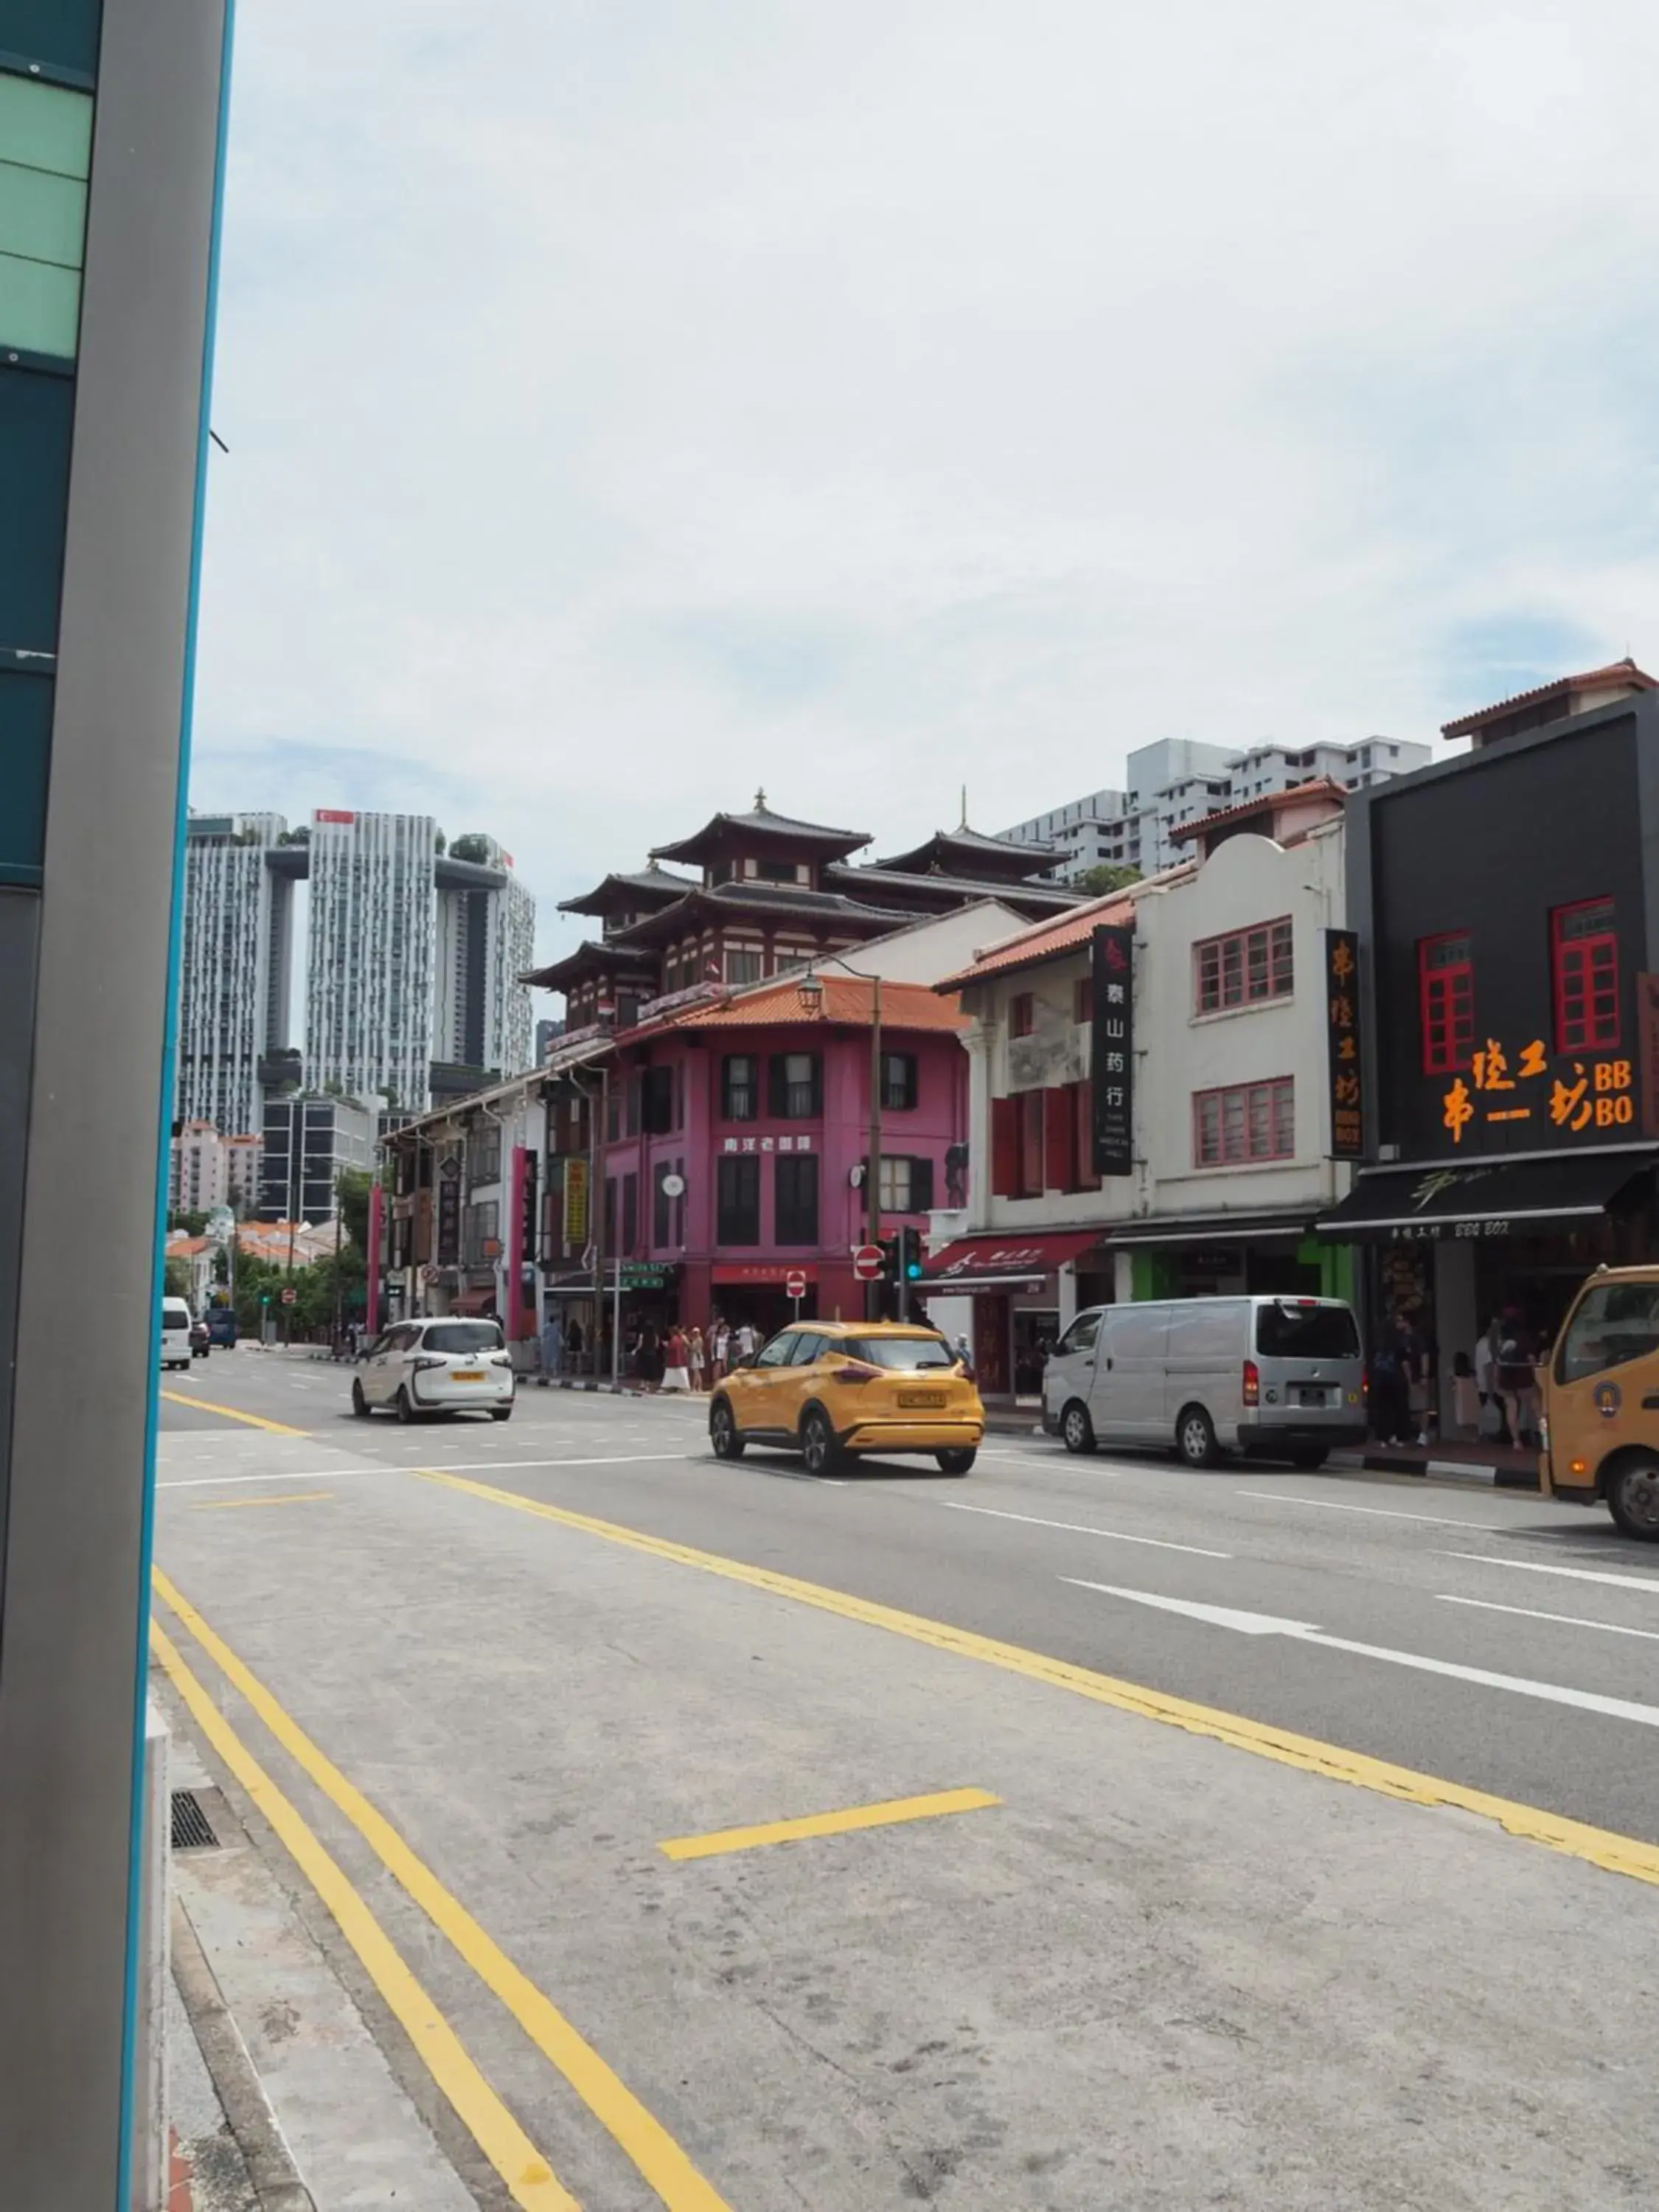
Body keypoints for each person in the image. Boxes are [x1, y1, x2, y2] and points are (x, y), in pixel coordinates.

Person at [1495, 1307, 1540, 1450]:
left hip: (1506, 1376)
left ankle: (1516, 1441)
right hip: (1523, 1374)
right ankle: (1545, 1436)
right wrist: (1537, 1376)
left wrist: (1496, 1379)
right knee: (1535, 1405)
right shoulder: (1524, 1336)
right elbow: (1531, 1358)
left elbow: (1496, 1360)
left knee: (1511, 1407)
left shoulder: (1499, 1339)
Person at [539, 1307, 563, 1388]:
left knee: (546, 1359)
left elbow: (543, 1337)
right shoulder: (556, 1328)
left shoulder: (546, 1327)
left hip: (547, 1346)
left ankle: (545, 1373)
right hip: (554, 1345)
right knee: (554, 1359)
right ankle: (554, 1372)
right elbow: (558, 1336)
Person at [662, 1324, 691, 1393]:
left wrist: (666, 1346)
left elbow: (670, 1349)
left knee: (670, 1375)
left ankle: (667, 1387)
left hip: (674, 1360)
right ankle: (683, 1387)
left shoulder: (674, 1340)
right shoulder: (680, 1339)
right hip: (681, 1360)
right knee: (681, 1375)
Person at [710, 1318, 730, 1383]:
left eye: (724, 1329)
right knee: (717, 1366)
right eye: (722, 1329)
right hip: (717, 1352)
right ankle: (715, 1381)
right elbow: (712, 1346)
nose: (723, 1330)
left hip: (724, 1352)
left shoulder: (727, 1336)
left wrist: (726, 1355)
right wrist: (712, 1355)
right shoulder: (715, 1336)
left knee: (725, 1367)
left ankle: (725, 1382)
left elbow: (728, 1346)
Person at [688, 1326, 706, 1393]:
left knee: (696, 1372)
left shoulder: (699, 1339)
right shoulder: (694, 1339)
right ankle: (699, 1387)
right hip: (694, 1356)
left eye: (696, 1332)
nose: (695, 1334)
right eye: (694, 1332)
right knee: (697, 1373)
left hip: (697, 1356)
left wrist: (691, 1343)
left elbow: (694, 1348)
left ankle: (694, 1387)